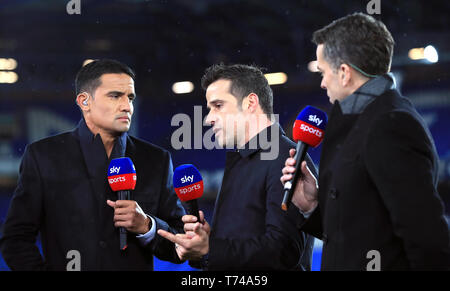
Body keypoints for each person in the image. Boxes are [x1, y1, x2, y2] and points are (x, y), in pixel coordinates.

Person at [280, 12, 450, 270]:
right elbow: (360, 229)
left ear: (345, 73)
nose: (323, 83)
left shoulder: (392, 125)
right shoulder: (360, 121)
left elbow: (427, 239)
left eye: (323, 72)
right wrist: (313, 205)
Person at [0, 59, 185, 270]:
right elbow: (15, 239)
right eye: (115, 96)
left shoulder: (156, 160)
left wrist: (146, 226)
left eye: (130, 98)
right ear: (84, 101)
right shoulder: (43, 156)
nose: (127, 106)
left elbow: (180, 245)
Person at [158, 63, 317, 270]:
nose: (209, 118)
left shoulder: (285, 158)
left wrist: (210, 249)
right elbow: (246, 243)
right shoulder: (245, 159)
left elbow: (283, 251)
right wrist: (209, 240)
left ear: (251, 102)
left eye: (218, 105)